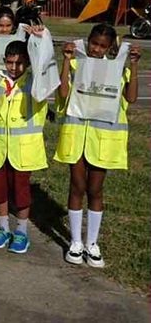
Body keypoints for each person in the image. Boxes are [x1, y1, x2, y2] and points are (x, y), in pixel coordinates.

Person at [55, 24, 140, 267]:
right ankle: (75, 242)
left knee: (95, 190)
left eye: (103, 46)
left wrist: (133, 66)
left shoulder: (116, 70)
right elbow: (62, 93)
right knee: (76, 187)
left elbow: (131, 98)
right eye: (94, 43)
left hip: (102, 141)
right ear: (87, 41)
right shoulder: (75, 65)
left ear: (110, 48)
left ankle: (92, 242)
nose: (96, 49)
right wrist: (66, 60)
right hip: (77, 136)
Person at [0, 29, 50, 254]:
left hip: (22, 152)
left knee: (21, 193)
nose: (13, 67)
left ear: (26, 62)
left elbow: (45, 65)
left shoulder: (34, 82)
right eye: (9, 62)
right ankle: (3, 228)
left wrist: (40, 39)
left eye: (18, 63)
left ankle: (22, 232)